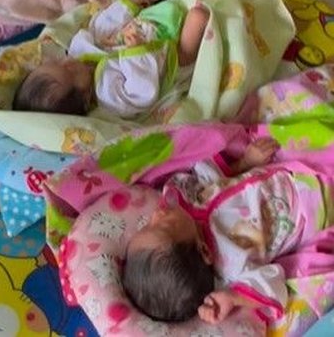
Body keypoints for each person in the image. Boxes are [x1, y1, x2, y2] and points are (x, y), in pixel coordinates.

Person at [122, 135, 334, 324]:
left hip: (289, 171)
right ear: (204, 251)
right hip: (315, 208)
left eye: (146, 225)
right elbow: (273, 285)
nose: (156, 215)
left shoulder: (194, 205)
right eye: (164, 226)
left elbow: (218, 180)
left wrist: (246, 162)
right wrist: (234, 298)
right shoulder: (232, 264)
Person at [12, 0, 209, 117]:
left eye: (58, 62)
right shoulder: (109, 96)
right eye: (69, 71)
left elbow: (99, 27)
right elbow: (142, 91)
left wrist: (126, 8)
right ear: (86, 98)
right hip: (170, 58)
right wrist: (136, 54)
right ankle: (202, 22)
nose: (69, 61)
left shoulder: (78, 51)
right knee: (198, 18)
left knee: (160, 2)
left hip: (147, 26)